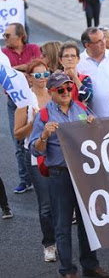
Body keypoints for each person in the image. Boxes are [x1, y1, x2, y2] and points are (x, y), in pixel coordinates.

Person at [29, 72, 109, 278]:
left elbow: (101, 137)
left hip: (84, 173)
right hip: (61, 174)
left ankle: (90, 266)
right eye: (60, 89)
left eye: (68, 88)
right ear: (51, 93)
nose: (66, 92)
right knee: (62, 224)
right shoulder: (44, 116)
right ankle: (67, 270)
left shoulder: (82, 108)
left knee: (88, 223)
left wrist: (96, 126)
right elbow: (35, 150)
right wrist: (44, 135)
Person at [13, 59, 56, 262]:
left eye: (45, 74)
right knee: (46, 203)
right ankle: (49, 244)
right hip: (37, 157)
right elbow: (18, 135)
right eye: (37, 75)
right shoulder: (25, 101)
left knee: (63, 201)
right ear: (29, 78)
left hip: (60, 153)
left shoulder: (56, 93)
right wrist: (34, 122)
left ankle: (62, 241)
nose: (42, 78)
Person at [2, 22, 41, 194]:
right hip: (15, 103)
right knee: (18, 139)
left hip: (35, 99)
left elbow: (37, 66)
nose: (4, 38)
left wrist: (13, 70)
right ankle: (25, 180)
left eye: (8, 35)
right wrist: (23, 69)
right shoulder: (3, 53)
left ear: (21, 37)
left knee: (40, 138)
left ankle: (40, 176)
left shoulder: (33, 48)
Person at [77, 27, 109, 118]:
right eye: (98, 41)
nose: (103, 43)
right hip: (93, 121)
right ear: (87, 45)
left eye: (103, 38)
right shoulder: (78, 62)